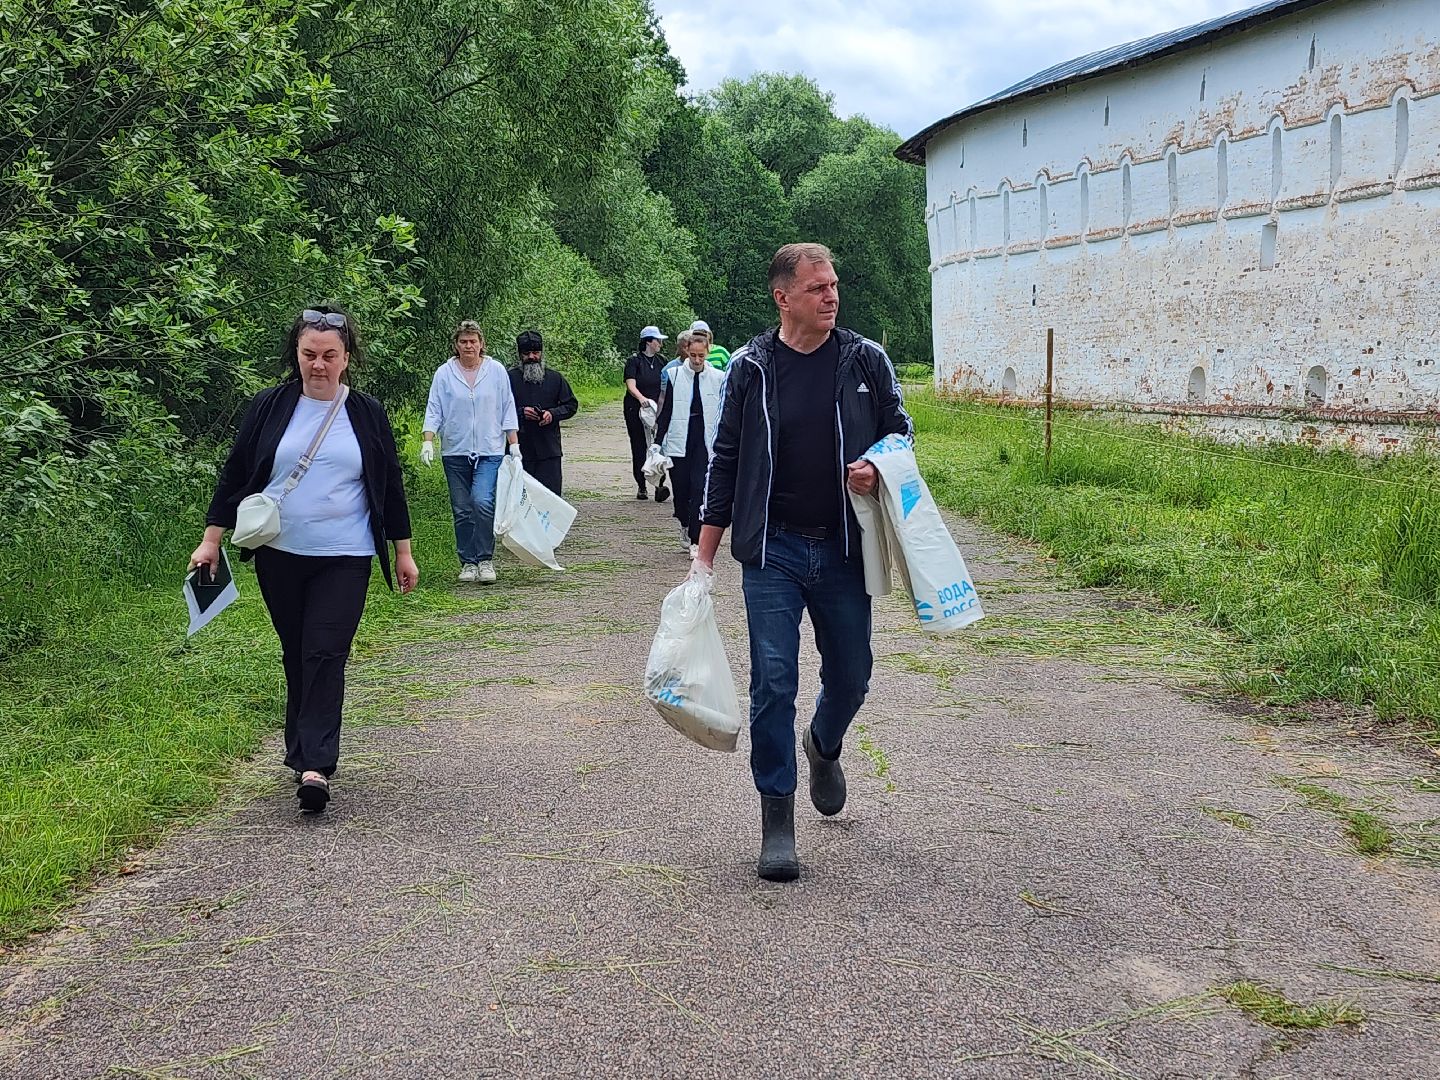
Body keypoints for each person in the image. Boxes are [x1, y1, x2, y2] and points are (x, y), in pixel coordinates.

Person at [694, 243, 913, 881]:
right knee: (772, 680)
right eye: (817, 287)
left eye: (834, 285)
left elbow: (901, 430)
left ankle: (824, 744)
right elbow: (725, 461)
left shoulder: (865, 361)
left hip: (844, 546)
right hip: (774, 550)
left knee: (852, 674)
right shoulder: (752, 369)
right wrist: (702, 560)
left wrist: (880, 463)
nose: (831, 296)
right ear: (782, 296)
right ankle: (777, 816)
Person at [189, 305, 419, 814]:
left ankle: (316, 764)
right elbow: (235, 474)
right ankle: (302, 749)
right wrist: (211, 539)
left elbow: (390, 485)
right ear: (295, 354)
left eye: (329, 356)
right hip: (280, 555)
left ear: (347, 358)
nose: (318, 365)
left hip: (347, 554)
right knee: (296, 650)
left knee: (324, 651)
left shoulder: (366, 412)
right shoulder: (269, 406)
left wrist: (403, 551)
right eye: (309, 354)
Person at [420, 321, 519, 584]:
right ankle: (468, 562)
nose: (468, 346)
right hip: (455, 449)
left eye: (473, 341)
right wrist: (427, 440)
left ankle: (485, 558)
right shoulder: (444, 373)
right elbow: (434, 409)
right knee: (462, 508)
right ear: (456, 345)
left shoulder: (496, 371)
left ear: (481, 344)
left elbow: (507, 407)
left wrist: (514, 444)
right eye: (463, 341)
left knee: (482, 501)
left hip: (490, 448)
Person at [655, 334, 726, 560]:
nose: (696, 360)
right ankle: (685, 523)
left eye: (701, 356)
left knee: (699, 489)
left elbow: (725, 411)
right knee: (681, 489)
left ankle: (696, 538)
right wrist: (657, 443)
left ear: (708, 352)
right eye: (693, 355)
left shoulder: (718, 377)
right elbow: (665, 411)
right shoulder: (674, 374)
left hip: (704, 439)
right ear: (686, 351)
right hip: (680, 437)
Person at [508, 330, 578, 496]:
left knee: (550, 499)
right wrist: (521, 413)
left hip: (549, 449)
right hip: (519, 449)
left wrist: (552, 414)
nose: (532, 357)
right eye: (527, 353)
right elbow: (497, 409)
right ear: (519, 354)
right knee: (520, 499)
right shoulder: (508, 378)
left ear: (541, 353)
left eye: (536, 352)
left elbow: (571, 405)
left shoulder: (555, 378)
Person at [623, 326, 670, 502]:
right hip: (636, 409)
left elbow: (666, 384)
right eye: (658, 340)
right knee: (639, 445)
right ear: (649, 341)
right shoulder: (634, 361)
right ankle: (641, 485)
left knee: (659, 445)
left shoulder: (662, 361)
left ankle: (659, 484)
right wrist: (641, 398)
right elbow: (631, 385)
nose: (660, 344)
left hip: (657, 409)